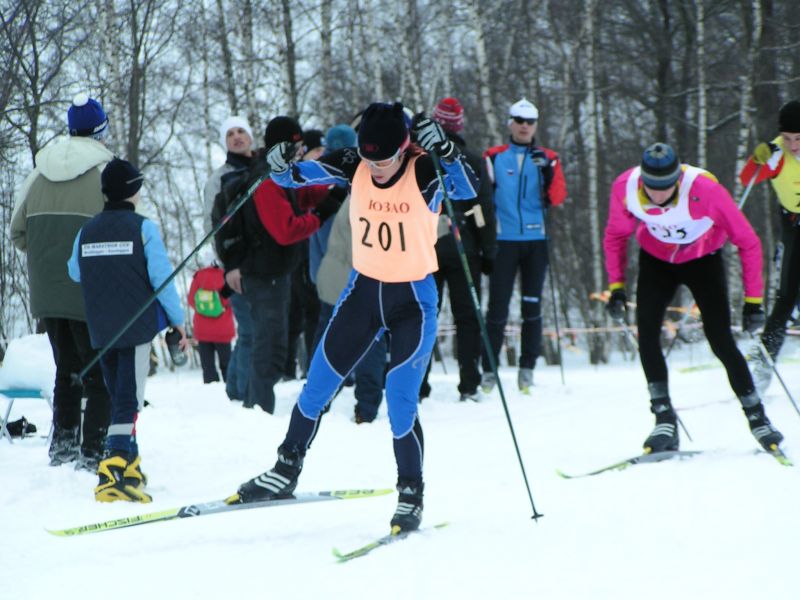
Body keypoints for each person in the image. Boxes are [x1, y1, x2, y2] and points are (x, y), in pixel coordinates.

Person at [225, 102, 478, 533]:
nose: (375, 168)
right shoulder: (354, 161)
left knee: (400, 401)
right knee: (316, 386)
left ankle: (411, 492)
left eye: (384, 160)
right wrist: (279, 163)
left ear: (403, 147)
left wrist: (449, 152)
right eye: (369, 159)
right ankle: (285, 469)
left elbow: (466, 189)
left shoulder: (423, 168)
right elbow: (292, 177)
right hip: (362, 294)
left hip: (411, 301)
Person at [603, 142, 783, 454]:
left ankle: (758, 418)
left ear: (677, 179)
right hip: (656, 260)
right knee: (647, 333)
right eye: (652, 187)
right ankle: (664, 421)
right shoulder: (625, 188)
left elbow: (748, 242)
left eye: (666, 187)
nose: (658, 195)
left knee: (720, 341)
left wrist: (753, 301)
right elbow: (616, 235)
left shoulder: (705, 191)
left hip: (703, 259)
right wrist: (616, 287)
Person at [67, 158, 188, 502]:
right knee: (128, 400)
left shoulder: (87, 230)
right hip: (134, 329)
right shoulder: (142, 227)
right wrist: (177, 320)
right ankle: (113, 469)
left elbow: (75, 271)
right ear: (134, 191)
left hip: (101, 329)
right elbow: (162, 278)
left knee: (118, 396)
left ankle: (129, 463)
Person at [10, 93, 113, 471]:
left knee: (66, 369)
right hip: (92, 290)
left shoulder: (39, 172)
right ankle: (94, 451)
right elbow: (128, 229)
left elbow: (17, 232)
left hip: (47, 291)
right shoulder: (108, 172)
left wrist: (48, 256)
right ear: (101, 131)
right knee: (100, 372)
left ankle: (63, 446)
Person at [224, 116, 337, 413]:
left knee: (273, 343)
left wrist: (332, 186)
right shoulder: (267, 179)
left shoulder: (280, 172)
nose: (301, 153)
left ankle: (256, 405)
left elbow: (302, 195)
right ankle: (257, 409)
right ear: (285, 146)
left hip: (275, 272)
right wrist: (320, 215)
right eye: (297, 147)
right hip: (264, 275)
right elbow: (285, 230)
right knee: (269, 347)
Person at [480, 98, 567, 394]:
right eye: (519, 120)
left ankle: (527, 369)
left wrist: (548, 173)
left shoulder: (549, 157)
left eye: (530, 122)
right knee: (497, 308)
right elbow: (483, 197)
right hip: (504, 241)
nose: (524, 126)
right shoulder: (494, 156)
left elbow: (557, 197)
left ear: (536, 125)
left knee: (532, 306)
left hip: (536, 241)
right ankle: (489, 371)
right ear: (510, 123)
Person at [417, 96, 495, 402]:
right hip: (463, 245)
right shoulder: (470, 158)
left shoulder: (419, 156)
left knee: (424, 315)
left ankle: (419, 385)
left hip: (427, 246)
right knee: (467, 317)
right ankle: (469, 384)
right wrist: (489, 250)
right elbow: (484, 208)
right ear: (458, 126)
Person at [739, 99, 800, 391]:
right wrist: (757, 159)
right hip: (794, 226)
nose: (793, 145)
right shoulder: (776, 153)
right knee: (785, 296)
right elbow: (746, 179)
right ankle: (762, 371)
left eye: (798, 138)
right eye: (787, 138)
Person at [204, 116, 256, 403]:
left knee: (255, 331)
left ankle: (236, 390)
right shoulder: (218, 179)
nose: (236, 137)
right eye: (230, 134)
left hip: (263, 264)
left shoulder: (262, 168)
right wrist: (227, 264)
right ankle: (241, 394)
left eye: (241, 131)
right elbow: (212, 225)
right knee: (249, 331)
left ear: (250, 136)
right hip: (236, 265)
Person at [187, 251, 234, 384]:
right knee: (227, 364)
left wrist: (203, 310)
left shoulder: (198, 277)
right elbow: (230, 299)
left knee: (208, 367)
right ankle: (230, 389)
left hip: (202, 330)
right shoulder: (225, 276)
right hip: (223, 328)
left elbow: (191, 299)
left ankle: (211, 390)